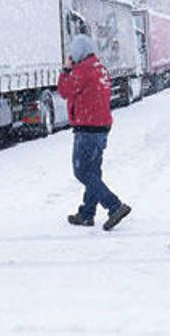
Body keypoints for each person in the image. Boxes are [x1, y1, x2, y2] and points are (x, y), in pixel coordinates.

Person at [57, 34, 132, 231]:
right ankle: (87, 214)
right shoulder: (99, 68)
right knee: (93, 172)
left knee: (81, 171)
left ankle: (114, 205)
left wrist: (66, 70)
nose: (71, 56)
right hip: (101, 127)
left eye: (72, 53)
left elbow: (64, 91)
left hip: (87, 128)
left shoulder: (82, 70)